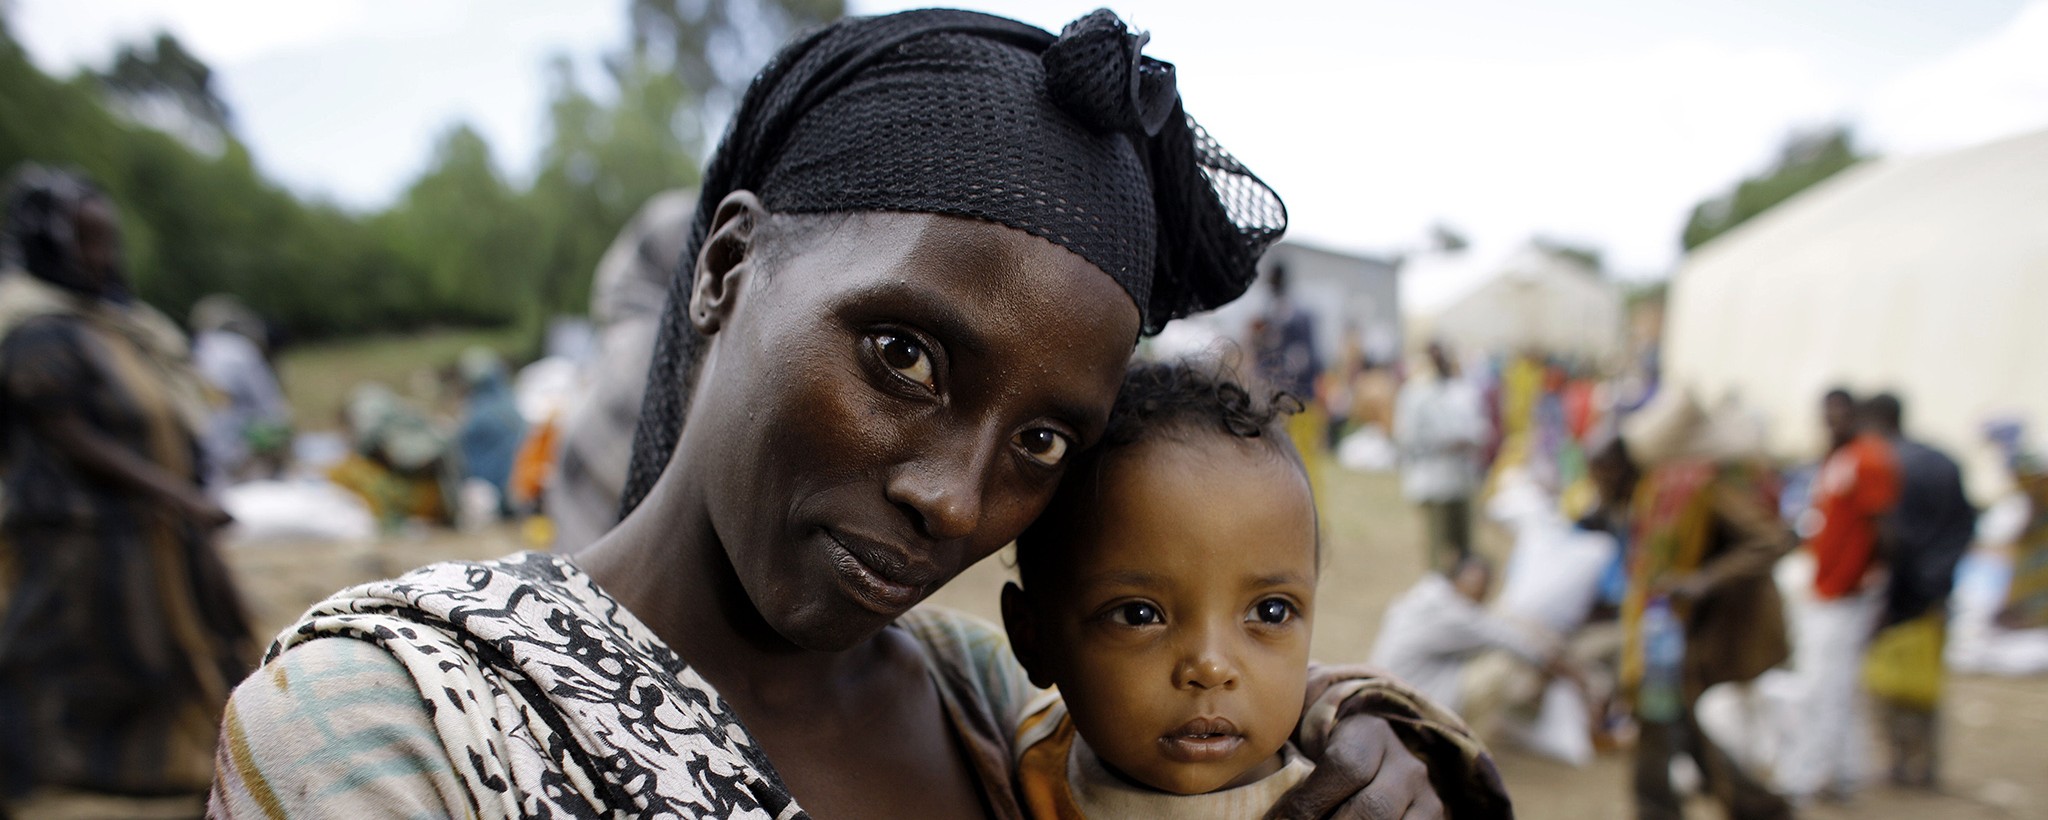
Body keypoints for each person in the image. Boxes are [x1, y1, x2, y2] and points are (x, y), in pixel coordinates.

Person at [210, 11, 1490, 818]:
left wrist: (1372, 739)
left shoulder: (981, 694)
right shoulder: (391, 720)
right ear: (723, 270)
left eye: (1041, 441)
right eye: (902, 357)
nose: (953, 498)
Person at [1002, 359, 1507, 819]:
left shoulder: (1350, 798)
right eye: (1138, 615)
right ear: (1033, 639)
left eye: (1269, 611)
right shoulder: (1018, 758)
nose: (1211, 667)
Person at [0, 166, 255, 801]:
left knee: (180, 657)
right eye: (86, 241)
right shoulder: (34, 329)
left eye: (106, 240)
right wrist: (175, 494)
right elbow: (66, 433)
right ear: (48, 243)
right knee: (68, 664)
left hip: (154, 532)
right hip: (81, 535)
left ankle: (184, 764)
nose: (101, 256)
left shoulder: (116, 324)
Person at [1608, 391, 1794, 820]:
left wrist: (1704, 581)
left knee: (1669, 721)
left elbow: (1770, 540)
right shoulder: (1663, 486)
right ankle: (1752, 806)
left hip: (1705, 631)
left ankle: (1689, 807)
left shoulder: (1711, 487)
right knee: (1678, 722)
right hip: (1671, 630)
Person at [1779, 389, 1899, 803]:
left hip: (1846, 591)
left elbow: (1883, 528)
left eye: (1839, 413)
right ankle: (1845, 771)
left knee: (1822, 686)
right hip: (1831, 586)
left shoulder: (1867, 459)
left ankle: (1809, 776)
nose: (1832, 421)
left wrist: (1872, 585)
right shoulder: (1841, 459)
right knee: (1838, 686)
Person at [1859, 392, 1973, 789]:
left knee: (1888, 682)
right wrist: (1940, 576)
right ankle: (1925, 765)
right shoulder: (1942, 460)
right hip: (1936, 589)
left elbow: (1890, 536)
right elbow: (1964, 524)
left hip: (1899, 590)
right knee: (1925, 683)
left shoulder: (1882, 463)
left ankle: (1898, 763)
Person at [1370, 555, 1582, 738]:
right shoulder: (1457, 616)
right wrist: (1571, 677)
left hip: (1388, 691)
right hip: (1414, 701)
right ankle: (1467, 746)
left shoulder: (1426, 593)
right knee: (1501, 666)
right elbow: (1513, 642)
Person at [1394, 341, 1488, 569]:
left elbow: (1479, 427)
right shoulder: (1414, 394)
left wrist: (1468, 440)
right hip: (1433, 483)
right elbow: (1406, 438)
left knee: (1465, 551)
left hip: (1461, 480)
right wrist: (1444, 444)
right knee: (1438, 553)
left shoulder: (1460, 390)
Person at [190, 294, 291, 484]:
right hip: (241, 462)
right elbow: (273, 412)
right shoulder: (240, 352)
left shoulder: (198, 350)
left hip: (207, 462)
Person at [454, 347, 527, 517]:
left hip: (493, 494)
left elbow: (461, 452)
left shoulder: (480, 414)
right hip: (518, 494)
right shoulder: (512, 406)